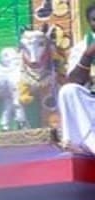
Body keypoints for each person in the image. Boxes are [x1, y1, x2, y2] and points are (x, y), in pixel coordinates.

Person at [57, 4, 95, 155]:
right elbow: (74, 82)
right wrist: (88, 54)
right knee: (68, 91)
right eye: (94, 20)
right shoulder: (81, 48)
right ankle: (83, 144)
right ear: (89, 23)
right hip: (91, 106)